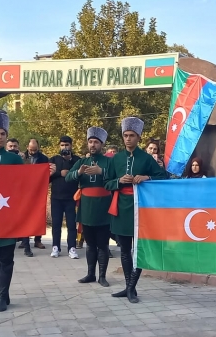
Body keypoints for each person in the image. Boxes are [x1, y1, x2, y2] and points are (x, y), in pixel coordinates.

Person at [0, 113, 54, 311]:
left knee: (6, 257)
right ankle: (3, 294)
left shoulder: (15, 159)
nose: (0, 137)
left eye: (3, 133)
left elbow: (27, 183)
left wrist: (47, 173)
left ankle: (3, 297)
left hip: (8, 215)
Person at [105, 117, 167, 303]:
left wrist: (147, 176)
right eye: (125, 135)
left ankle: (131, 288)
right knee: (124, 249)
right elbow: (106, 183)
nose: (128, 139)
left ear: (138, 137)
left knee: (137, 250)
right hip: (121, 207)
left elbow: (163, 177)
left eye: (132, 135)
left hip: (141, 208)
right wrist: (118, 181)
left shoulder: (146, 158)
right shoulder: (115, 159)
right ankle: (127, 286)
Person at [67, 127, 112, 286]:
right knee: (90, 243)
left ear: (102, 144)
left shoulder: (108, 161)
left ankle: (102, 276)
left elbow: (115, 179)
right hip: (86, 207)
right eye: (90, 142)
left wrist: (101, 172)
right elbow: (68, 178)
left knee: (103, 244)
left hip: (103, 207)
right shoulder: (81, 161)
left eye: (96, 142)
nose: (93, 145)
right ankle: (90, 274)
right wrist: (78, 173)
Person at [49, 136, 80, 259]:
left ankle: (72, 248)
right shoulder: (53, 159)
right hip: (56, 197)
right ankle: (55, 247)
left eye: (67, 145)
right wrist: (59, 173)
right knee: (56, 224)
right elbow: (47, 177)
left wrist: (68, 161)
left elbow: (79, 174)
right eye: (62, 145)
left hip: (71, 198)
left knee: (71, 224)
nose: (64, 147)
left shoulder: (77, 160)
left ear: (71, 146)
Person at [22, 138, 49, 253]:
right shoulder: (22, 158)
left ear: (38, 147)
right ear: (27, 147)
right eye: (31, 150)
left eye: (35, 149)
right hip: (24, 191)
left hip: (38, 190)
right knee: (24, 215)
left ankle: (38, 239)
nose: (32, 152)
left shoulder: (43, 159)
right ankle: (25, 240)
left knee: (38, 214)